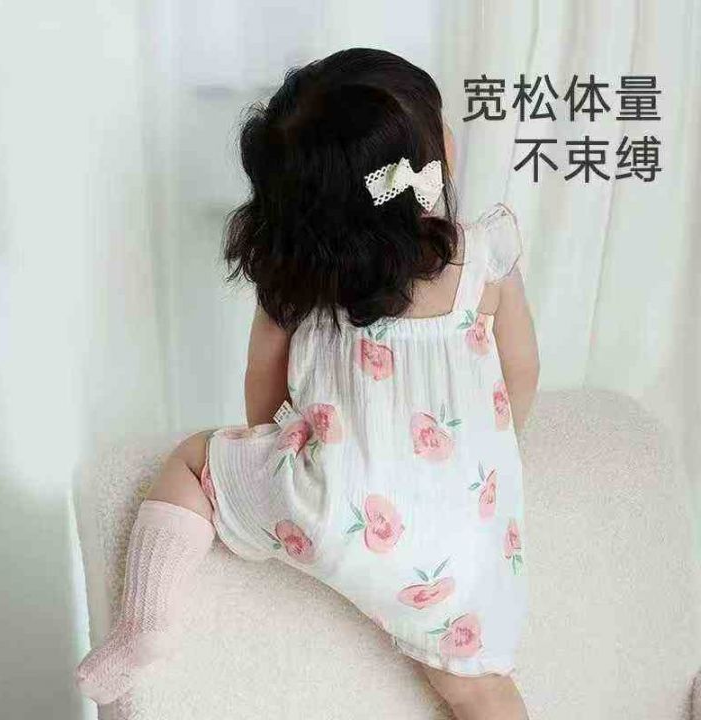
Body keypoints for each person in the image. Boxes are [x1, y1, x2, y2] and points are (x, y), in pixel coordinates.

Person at [75, 47, 540, 720]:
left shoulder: (299, 279)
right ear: (427, 159)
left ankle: (146, 622)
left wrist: (274, 447)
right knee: (477, 685)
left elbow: (262, 386)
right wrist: (495, 451)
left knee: (195, 460)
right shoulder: (484, 255)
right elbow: (520, 368)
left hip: (337, 510)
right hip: (463, 530)